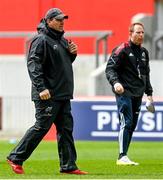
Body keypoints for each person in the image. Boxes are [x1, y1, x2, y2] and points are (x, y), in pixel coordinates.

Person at [7, 8, 88, 175]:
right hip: (47, 94)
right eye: (58, 19)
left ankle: (68, 166)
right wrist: (41, 87)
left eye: (63, 19)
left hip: (62, 94)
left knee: (66, 129)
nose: (62, 22)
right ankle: (15, 157)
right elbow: (33, 65)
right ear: (49, 21)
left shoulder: (63, 41)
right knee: (41, 127)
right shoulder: (40, 40)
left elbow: (61, 65)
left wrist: (73, 54)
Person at [105, 22, 154, 165]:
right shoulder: (122, 49)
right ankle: (121, 156)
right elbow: (110, 69)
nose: (141, 35)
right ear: (130, 34)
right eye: (138, 32)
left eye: (142, 32)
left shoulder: (144, 52)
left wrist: (149, 94)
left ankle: (124, 155)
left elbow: (146, 74)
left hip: (138, 93)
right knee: (126, 121)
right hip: (124, 91)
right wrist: (115, 83)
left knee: (132, 125)